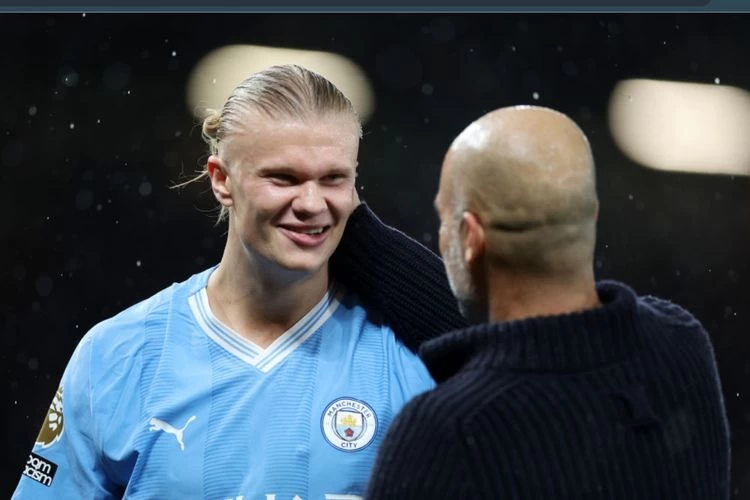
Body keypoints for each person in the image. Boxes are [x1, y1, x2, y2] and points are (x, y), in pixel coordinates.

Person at [13, 64, 467, 499]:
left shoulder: (412, 358)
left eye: (333, 179)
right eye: (283, 178)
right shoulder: (116, 356)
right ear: (221, 180)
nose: (312, 203)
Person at [365, 105, 731, 499]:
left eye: (444, 218)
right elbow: (528, 358)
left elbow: (509, 368)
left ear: (470, 237)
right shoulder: (682, 344)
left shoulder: (447, 433)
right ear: (592, 214)